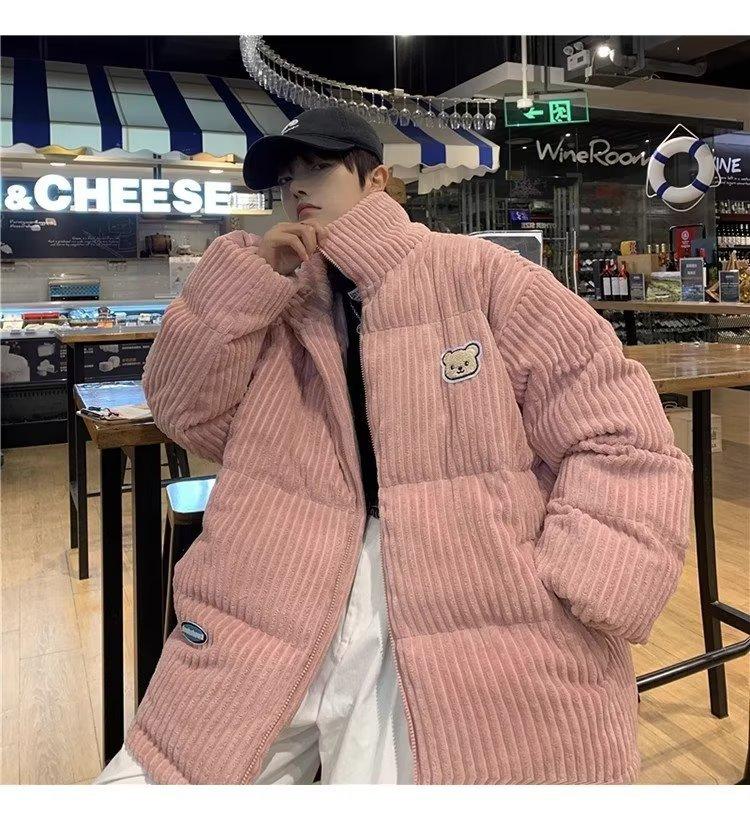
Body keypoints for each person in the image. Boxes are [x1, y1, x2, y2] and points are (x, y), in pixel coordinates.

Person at [95, 108, 693, 785]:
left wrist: (581, 583)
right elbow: (184, 410)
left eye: (318, 167)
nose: (298, 188)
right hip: (277, 578)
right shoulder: (277, 301)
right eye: (286, 178)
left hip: (460, 587)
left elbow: (617, 430)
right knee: (167, 772)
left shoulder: (480, 277)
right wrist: (247, 282)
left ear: (376, 179)